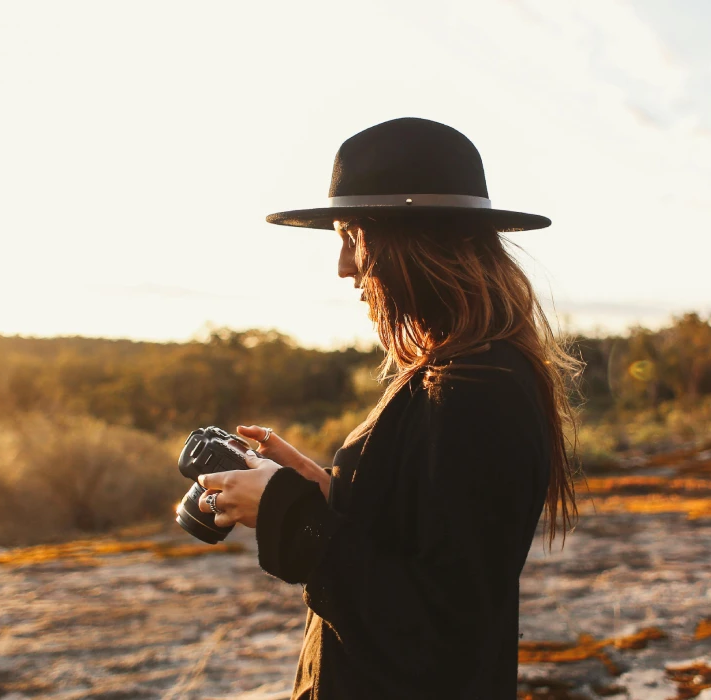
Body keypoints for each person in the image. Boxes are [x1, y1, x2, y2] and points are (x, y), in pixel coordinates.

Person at [193, 117, 582, 699]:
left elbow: (438, 625)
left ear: (411, 242)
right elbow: (422, 536)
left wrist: (288, 513)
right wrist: (324, 490)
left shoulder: (476, 389)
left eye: (353, 236)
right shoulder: (463, 371)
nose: (345, 266)